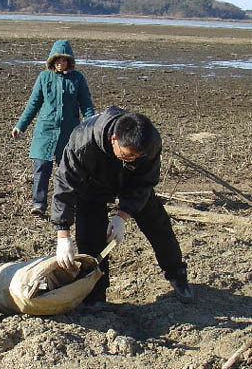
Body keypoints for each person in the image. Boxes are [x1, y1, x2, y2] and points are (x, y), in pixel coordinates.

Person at [51, 106, 194, 305]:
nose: (132, 159)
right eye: (127, 156)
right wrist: (63, 234)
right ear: (114, 140)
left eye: (136, 157)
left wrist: (122, 216)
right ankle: (95, 295)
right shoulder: (83, 141)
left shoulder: (150, 142)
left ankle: (177, 275)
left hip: (131, 183)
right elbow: (64, 185)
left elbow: (145, 182)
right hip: (92, 186)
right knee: (90, 238)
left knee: (159, 226)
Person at [11, 39, 94, 215]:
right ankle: (38, 204)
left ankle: (68, 204)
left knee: (68, 170)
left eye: (63, 60)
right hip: (45, 131)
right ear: (52, 61)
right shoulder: (44, 77)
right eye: (57, 60)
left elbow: (86, 105)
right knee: (41, 167)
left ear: (68, 61)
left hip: (69, 132)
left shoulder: (77, 79)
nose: (60, 63)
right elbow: (33, 104)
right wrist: (21, 126)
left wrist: (91, 127)